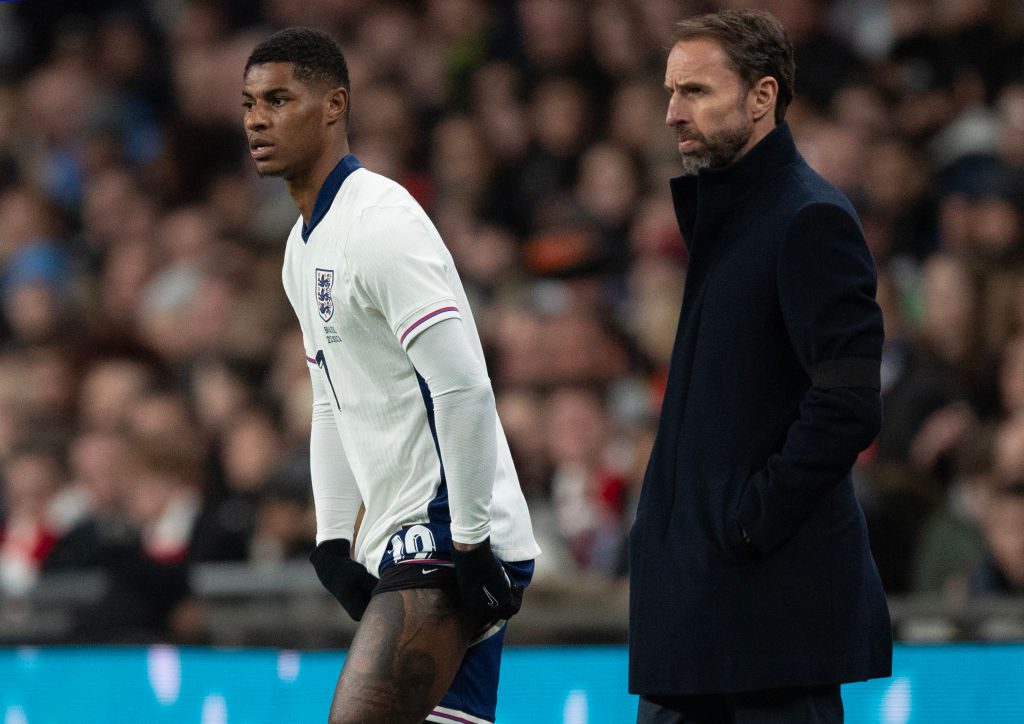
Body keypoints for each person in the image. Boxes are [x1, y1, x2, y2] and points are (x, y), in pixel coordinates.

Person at [242, 28, 540, 724]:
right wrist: (333, 540)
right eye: (249, 102)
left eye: (279, 98)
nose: (257, 117)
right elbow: (330, 398)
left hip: (446, 531)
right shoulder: (300, 247)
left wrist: (467, 542)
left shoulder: (382, 222)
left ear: (333, 105)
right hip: (410, 541)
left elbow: (463, 387)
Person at [628, 10, 892, 723]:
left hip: (772, 629)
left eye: (695, 92)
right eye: (670, 91)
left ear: (762, 96)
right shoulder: (731, 219)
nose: (671, 113)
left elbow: (846, 405)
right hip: (697, 626)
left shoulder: (809, 219)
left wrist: (747, 524)